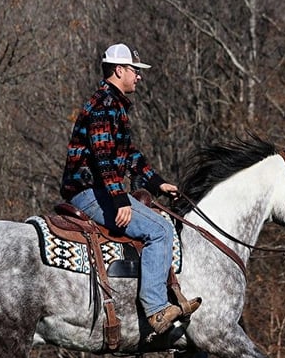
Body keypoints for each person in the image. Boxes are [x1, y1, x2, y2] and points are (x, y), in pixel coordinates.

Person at [60, 43, 201, 335]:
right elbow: (103, 159)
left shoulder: (114, 105)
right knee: (161, 230)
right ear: (119, 70)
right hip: (90, 193)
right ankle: (156, 310)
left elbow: (129, 154)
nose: (139, 76)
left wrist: (156, 182)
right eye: (135, 71)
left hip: (99, 190)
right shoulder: (103, 107)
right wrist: (119, 199)